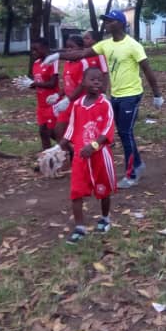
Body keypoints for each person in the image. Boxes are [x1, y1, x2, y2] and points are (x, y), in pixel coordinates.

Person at [47, 10, 163, 189]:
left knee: (125, 133)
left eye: (110, 21)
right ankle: (138, 165)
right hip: (115, 95)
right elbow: (81, 54)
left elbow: (147, 70)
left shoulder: (133, 45)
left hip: (131, 95)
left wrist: (157, 94)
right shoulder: (105, 44)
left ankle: (132, 174)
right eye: (106, 21)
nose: (107, 24)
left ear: (120, 23)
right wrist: (57, 55)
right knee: (124, 133)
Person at [59, 67, 117, 244]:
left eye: (99, 79)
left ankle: (105, 219)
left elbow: (108, 128)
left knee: (103, 190)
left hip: (100, 156)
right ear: (83, 82)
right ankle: (79, 228)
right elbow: (71, 127)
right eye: (92, 79)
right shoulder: (77, 105)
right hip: (80, 157)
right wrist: (59, 146)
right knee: (76, 191)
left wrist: (94, 145)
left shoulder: (105, 104)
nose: (97, 82)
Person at [15, 38, 60, 151]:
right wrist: (27, 84)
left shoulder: (52, 62)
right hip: (41, 104)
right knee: (43, 132)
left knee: (52, 132)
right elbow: (38, 83)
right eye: (32, 50)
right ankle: (47, 156)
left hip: (52, 103)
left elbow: (53, 83)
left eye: (36, 49)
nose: (34, 52)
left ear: (45, 48)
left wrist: (34, 83)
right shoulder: (36, 64)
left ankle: (69, 148)